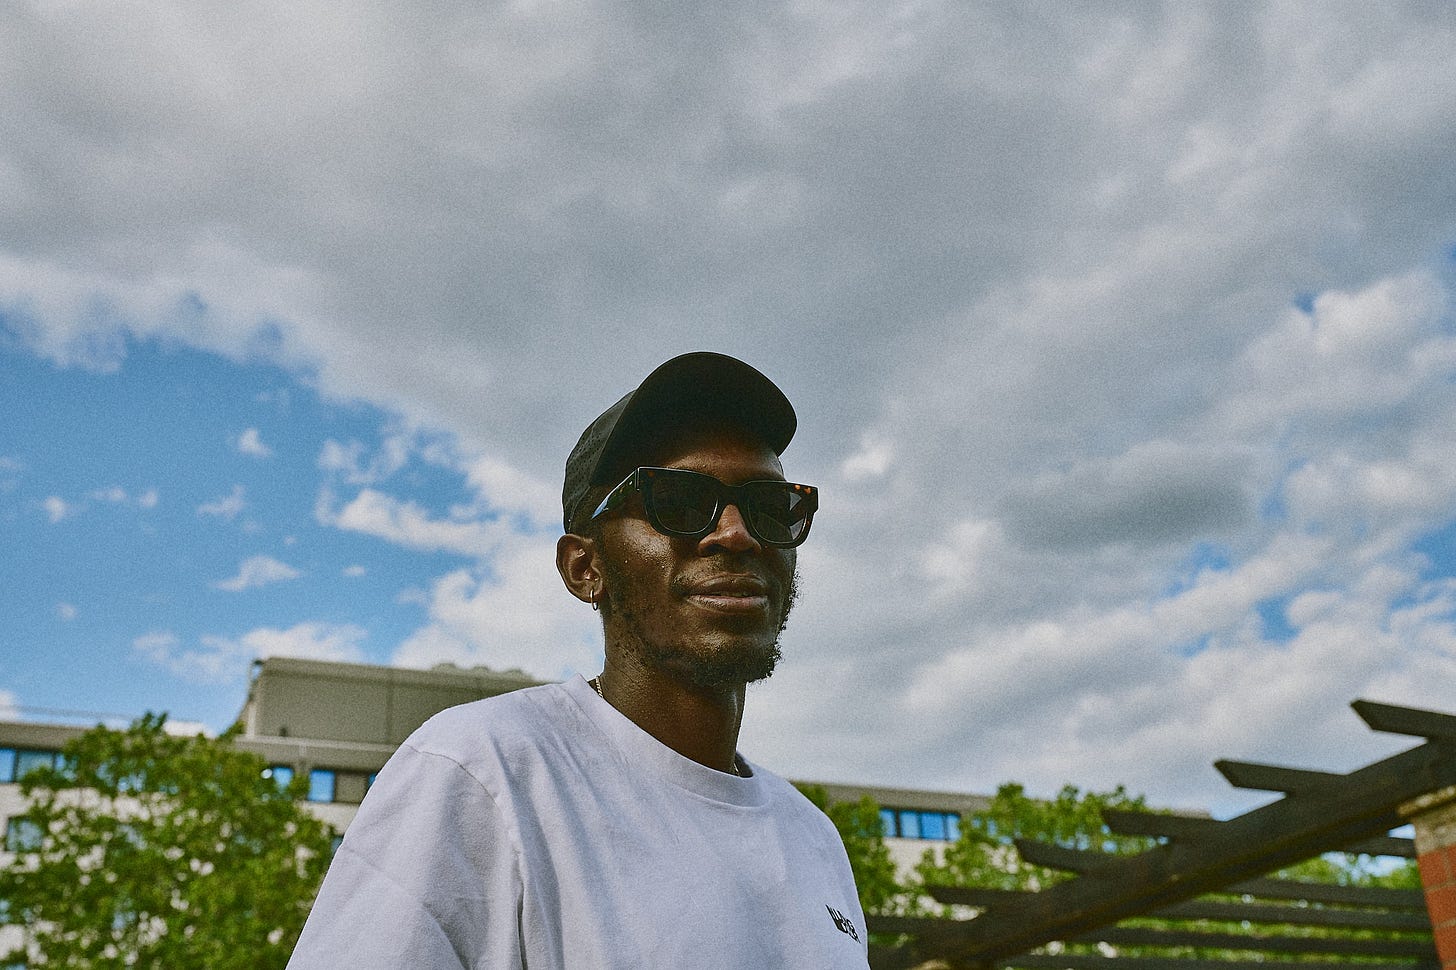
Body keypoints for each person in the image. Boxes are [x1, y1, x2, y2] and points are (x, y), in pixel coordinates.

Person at [286, 352, 869, 969]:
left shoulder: (814, 838)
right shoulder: (481, 773)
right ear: (585, 568)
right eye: (678, 500)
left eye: (771, 505)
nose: (737, 534)